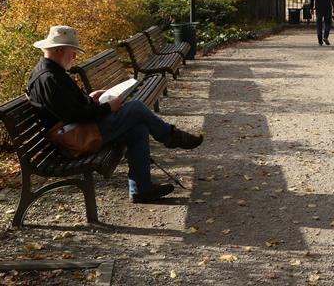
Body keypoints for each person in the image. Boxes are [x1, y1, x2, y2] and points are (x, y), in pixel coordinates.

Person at [26, 25, 203, 204]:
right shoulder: (49, 78)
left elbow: (67, 108)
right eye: (73, 52)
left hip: (79, 131)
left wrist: (91, 99)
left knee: (138, 128)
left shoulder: (51, 72)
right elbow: (73, 114)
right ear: (60, 50)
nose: (74, 56)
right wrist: (108, 108)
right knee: (135, 108)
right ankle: (170, 135)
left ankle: (142, 189)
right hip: (75, 139)